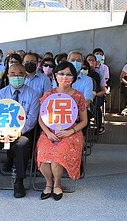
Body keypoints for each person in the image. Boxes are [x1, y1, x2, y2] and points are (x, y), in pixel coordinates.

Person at [0, 63, 40, 198]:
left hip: (22, 132)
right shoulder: (1, 93)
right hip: (1, 131)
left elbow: (31, 119)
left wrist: (18, 132)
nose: (16, 77)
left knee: (22, 144)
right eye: (13, 74)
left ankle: (19, 181)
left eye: (20, 74)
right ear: (7, 75)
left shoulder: (33, 95)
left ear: (25, 76)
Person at [36, 62, 88, 201]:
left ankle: (57, 184)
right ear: (55, 75)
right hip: (50, 131)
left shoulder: (78, 96)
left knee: (57, 157)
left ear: (74, 77)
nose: (64, 77)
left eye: (68, 74)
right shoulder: (49, 94)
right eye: (61, 73)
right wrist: (48, 133)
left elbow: (84, 121)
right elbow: (41, 118)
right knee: (44, 156)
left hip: (71, 132)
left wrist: (70, 131)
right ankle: (49, 183)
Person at [86, 53, 107, 134]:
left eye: (93, 60)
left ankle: (99, 126)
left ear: (96, 62)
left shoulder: (99, 73)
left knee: (96, 106)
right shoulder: (82, 72)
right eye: (89, 60)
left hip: (96, 95)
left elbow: (103, 90)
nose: (91, 62)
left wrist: (95, 94)